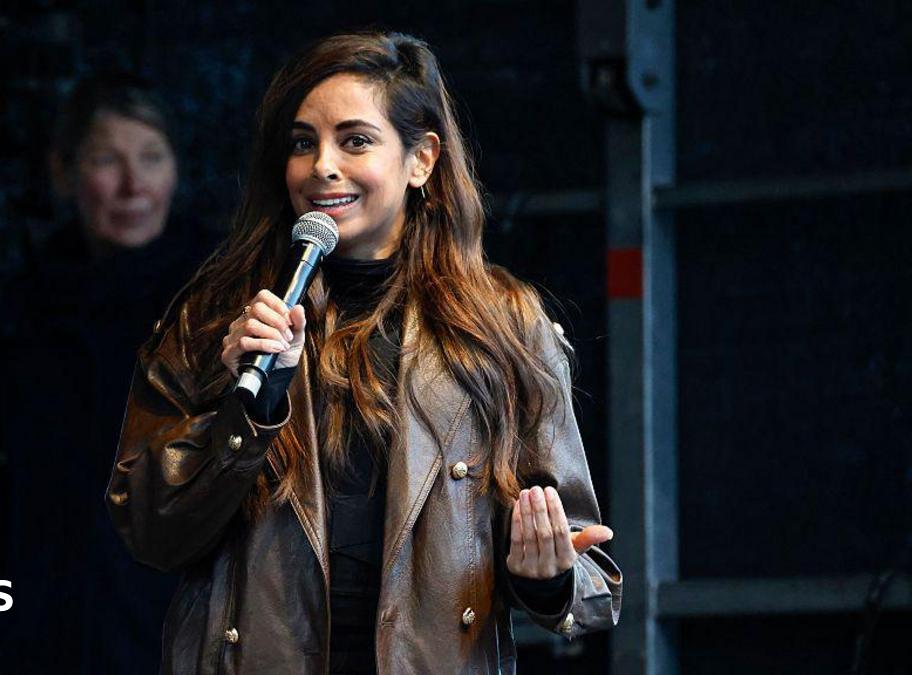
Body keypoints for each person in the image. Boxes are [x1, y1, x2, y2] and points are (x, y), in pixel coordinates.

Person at [106, 32, 621, 674]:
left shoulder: (502, 327)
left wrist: (546, 574)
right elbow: (152, 531)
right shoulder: (218, 320)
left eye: (355, 141)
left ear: (421, 160)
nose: (322, 165)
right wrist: (250, 403)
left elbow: (592, 579)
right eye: (302, 143)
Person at [0, 70, 208, 674]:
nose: (133, 186)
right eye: (107, 160)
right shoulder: (26, 304)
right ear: (64, 172)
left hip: (172, 621)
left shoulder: (216, 299)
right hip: (44, 620)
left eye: (151, 158)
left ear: (175, 171)